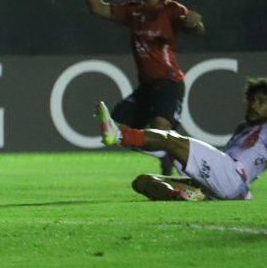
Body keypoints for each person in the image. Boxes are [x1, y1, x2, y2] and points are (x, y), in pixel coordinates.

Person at [79, 0, 205, 174]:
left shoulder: (173, 10)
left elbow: (196, 29)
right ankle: (169, 157)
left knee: (159, 131)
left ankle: (179, 163)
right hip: (146, 87)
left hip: (169, 83)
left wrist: (195, 24)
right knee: (116, 130)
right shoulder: (134, 11)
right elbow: (97, 8)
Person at [95, 76, 267, 202]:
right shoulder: (243, 128)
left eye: (262, 102)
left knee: (170, 139)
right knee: (143, 181)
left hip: (232, 178)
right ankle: (181, 197)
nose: (254, 105)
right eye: (252, 100)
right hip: (221, 185)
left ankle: (118, 135)